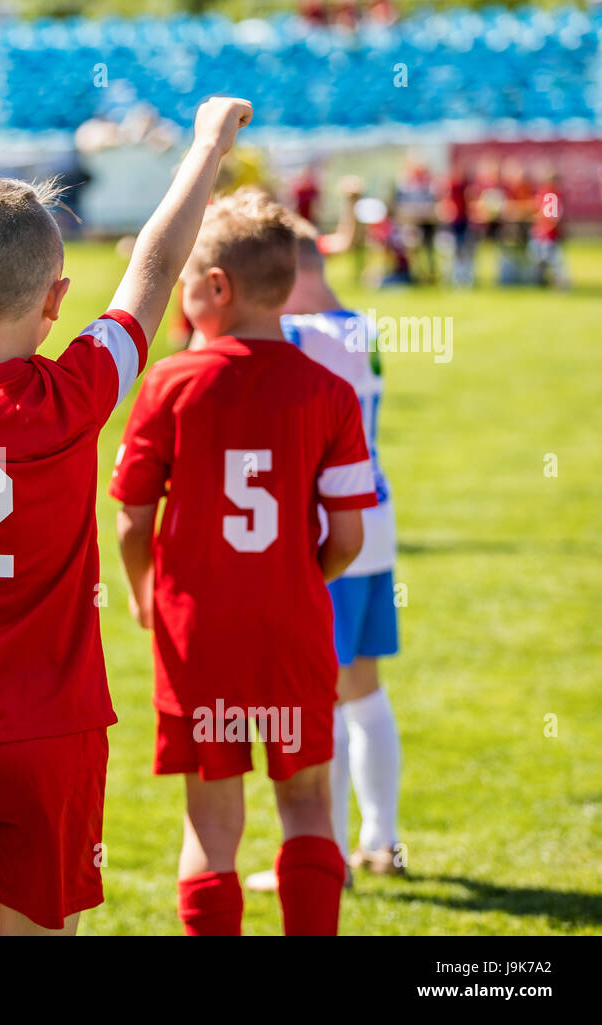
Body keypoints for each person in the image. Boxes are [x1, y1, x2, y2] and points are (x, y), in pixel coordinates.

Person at [0, 97, 253, 935]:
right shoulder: (75, 394)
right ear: (58, 297)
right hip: (48, 733)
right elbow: (155, 263)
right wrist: (207, 145)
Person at [111, 189, 375, 936]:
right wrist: (296, 578)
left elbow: (132, 515)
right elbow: (349, 536)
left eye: (183, 278)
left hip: (199, 635)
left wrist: (143, 591)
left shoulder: (167, 384)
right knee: (307, 804)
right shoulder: (328, 388)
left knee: (211, 821)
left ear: (215, 289)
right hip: (290, 628)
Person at [246, 214, 405, 895]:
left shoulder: (305, 335)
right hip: (376, 522)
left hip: (330, 529)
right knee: (364, 692)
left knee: (326, 699)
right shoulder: (359, 326)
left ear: (299, 275)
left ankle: (329, 853)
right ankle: (382, 839)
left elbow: (228, 333)